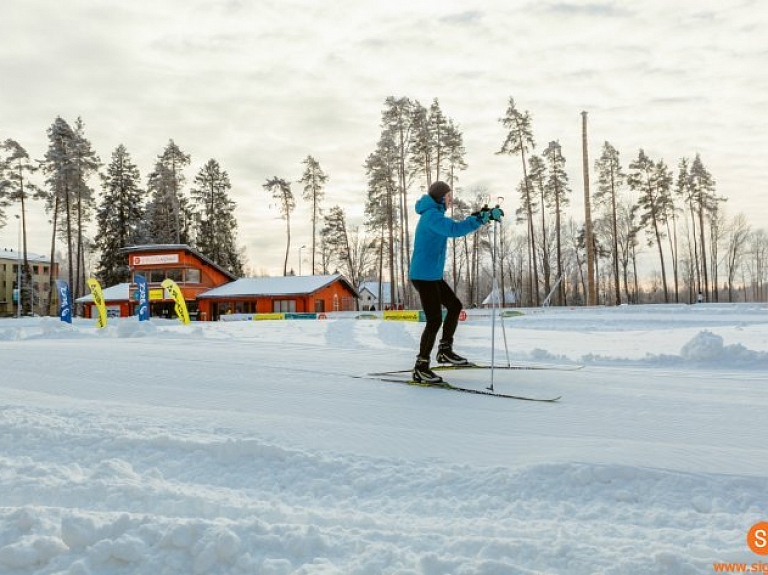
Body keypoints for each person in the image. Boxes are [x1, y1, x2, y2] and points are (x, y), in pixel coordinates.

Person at [409, 181, 504, 383]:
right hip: (423, 276)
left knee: (454, 306)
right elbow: (454, 229)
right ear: (439, 198)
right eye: (448, 197)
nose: (450, 201)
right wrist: (480, 219)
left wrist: (481, 215)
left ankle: (444, 350)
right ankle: (421, 367)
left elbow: (454, 226)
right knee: (434, 320)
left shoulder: (434, 214)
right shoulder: (431, 216)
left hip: (431, 275)